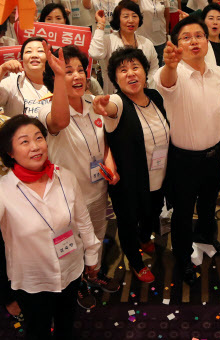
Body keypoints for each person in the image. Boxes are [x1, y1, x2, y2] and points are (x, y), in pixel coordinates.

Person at [0, 114, 101, 340]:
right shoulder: (4, 190)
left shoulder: (64, 177)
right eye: (24, 142)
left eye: (39, 138)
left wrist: (92, 255)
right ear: (10, 152)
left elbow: (82, 219)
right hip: (33, 281)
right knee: (38, 330)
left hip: (71, 270)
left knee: (66, 324)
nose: (35, 146)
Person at [39, 45, 120, 308]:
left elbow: (104, 141)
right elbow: (60, 122)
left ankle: (92, 275)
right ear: (54, 77)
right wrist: (59, 75)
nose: (76, 76)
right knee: (71, 246)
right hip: (68, 200)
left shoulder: (93, 101)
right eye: (67, 72)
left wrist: (111, 165)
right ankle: (75, 286)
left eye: (79, 70)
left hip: (97, 190)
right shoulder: (46, 109)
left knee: (95, 238)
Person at [154, 15, 220, 285]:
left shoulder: (218, 73)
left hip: (214, 154)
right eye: (186, 37)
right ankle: (183, 258)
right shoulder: (173, 74)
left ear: (207, 41)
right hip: (183, 159)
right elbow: (165, 82)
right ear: (176, 45)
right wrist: (170, 65)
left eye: (199, 35)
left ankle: (206, 237)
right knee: (183, 213)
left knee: (209, 205)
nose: (194, 41)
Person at [91, 47, 170, 284]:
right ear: (115, 79)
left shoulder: (155, 97)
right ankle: (135, 263)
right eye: (123, 70)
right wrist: (102, 106)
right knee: (127, 222)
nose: (130, 74)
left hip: (159, 173)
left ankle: (145, 237)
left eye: (135, 67)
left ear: (145, 72)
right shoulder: (118, 102)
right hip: (129, 182)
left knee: (152, 212)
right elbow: (109, 107)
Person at [88, 0, 159, 94]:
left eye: (134, 16)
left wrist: (145, 84)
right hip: (115, 95)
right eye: (126, 16)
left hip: (142, 93)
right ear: (118, 20)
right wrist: (100, 24)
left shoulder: (146, 43)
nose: (131, 20)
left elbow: (154, 69)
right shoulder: (108, 40)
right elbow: (95, 54)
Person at [0, 37, 51, 117]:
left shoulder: (58, 82)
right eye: (28, 51)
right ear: (22, 58)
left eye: (40, 51)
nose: (34, 55)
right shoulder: (12, 81)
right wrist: (2, 69)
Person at [131, 0, 170, 65]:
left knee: (158, 66)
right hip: (143, 38)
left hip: (160, 37)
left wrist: (166, 32)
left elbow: (166, 15)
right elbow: (130, 0)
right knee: (144, 66)